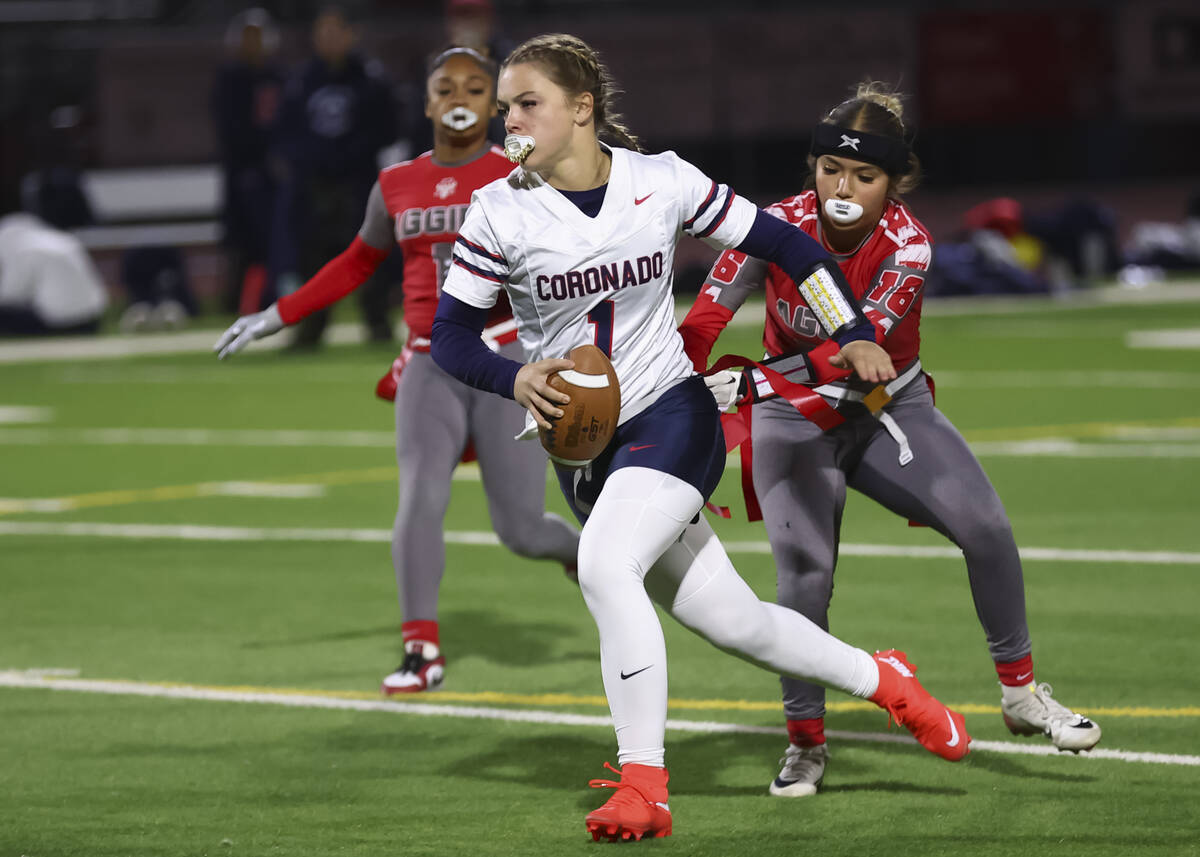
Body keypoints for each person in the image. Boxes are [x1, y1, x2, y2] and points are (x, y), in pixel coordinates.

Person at [429, 34, 971, 843]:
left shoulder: (662, 180)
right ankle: (885, 678)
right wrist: (515, 378)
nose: (508, 120)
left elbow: (787, 244)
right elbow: (451, 338)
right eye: (506, 105)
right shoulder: (499, 209)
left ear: (581, 109)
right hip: (583, 448)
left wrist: (851, 326)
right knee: (736, 621)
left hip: (671, 414)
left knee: (607, 565)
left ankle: (644, 782)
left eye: (525, 102)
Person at [678, 82, 1102, 799]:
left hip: (883, 405)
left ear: (895, 183)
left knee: (988, 528)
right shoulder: (772, 225)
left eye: (865, 176)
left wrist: (746, 383)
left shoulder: (908, 243)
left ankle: (1022, 693)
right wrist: (678, 381)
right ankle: (805, 742)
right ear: (810, 167)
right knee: (804, 582)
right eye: (831, 170)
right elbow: (706, 318)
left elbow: (856, 350)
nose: (843, 188)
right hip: (793, 417)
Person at [213, 47, 580, 695]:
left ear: (493, 103)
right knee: (419, 499)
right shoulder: (399, 182)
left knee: (521, 529)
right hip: (429, 360)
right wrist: (278, 313)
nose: (461, 98)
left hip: (501, 359)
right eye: (447, 88)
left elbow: (580, 253)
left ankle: (587, 558)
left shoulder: (521, 174)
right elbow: (358, 261)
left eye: (475, 87)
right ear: (429, 102)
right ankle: (421, 648)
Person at [271, 5, 398, 348]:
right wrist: (309, 162)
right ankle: (311, 327)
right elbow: (285, 130)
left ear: (350, 34)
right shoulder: (301, 80)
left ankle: (377, 322)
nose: (327, 39)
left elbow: (387, 127)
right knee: (313, 258)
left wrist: (350, 155)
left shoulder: (370, 78)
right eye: (322, 32)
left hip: (358, 183)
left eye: (334, 31)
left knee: (369, 252)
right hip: (314, 185)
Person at [211, 7, 285, 316]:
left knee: (272, 241)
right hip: (242, 171)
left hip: (273, 174)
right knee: (240, 243)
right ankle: (234, 304)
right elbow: (229, 128)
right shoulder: (230, 78)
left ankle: (269, 300)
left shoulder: (279, 77)